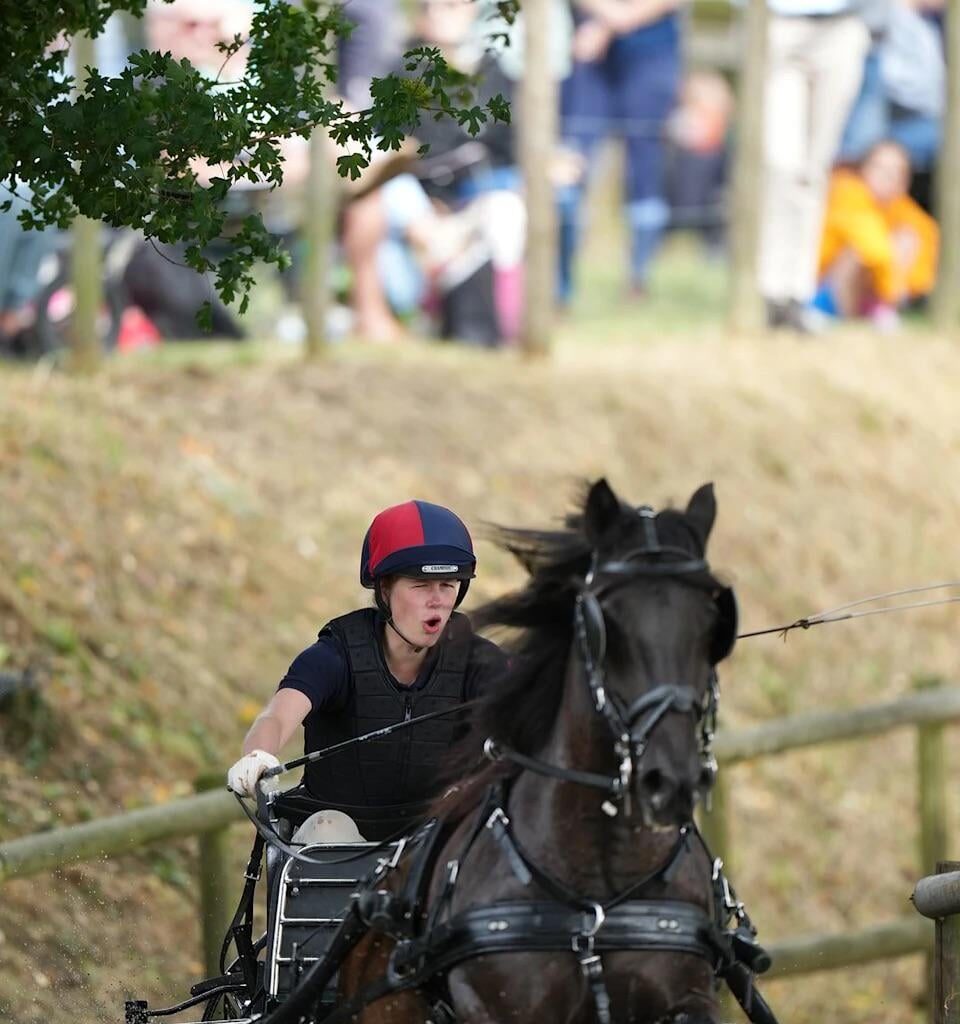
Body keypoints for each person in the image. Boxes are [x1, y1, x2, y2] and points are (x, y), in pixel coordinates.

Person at [226, 500, 508, 842]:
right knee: (330, 831)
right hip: (335, 841)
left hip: (435, 842)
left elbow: (524, 729)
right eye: (420, 585)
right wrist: (258, 754)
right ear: (385, 589)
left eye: (448, 585)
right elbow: (277, 716)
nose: (437, 600)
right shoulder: (335, 655)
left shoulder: (481, 662)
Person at [556, 0, 685, 305]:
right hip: (589, 56)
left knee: (644, 173)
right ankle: (559, 288)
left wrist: (613, 22)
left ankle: (638, 281)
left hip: (652, 51)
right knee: (570, 164)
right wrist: (609, 15)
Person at [758, 0, 871, 332]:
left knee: (813, 170)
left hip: (841, 25)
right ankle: (769, 288)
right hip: (779, 24)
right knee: (781, 165)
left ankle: (797, 292)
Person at [813, 139, 939, 328]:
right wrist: (891, 291)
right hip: (823, 289)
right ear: (863, 170)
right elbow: (874, 249)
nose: (889, 177)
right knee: (857, 252)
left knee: (906, 238)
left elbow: (928, 248)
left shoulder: (903, 210)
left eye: (897, 172)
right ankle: (848, 314)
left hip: (873, 290)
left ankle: (879, 312)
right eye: (881, 169)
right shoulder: (848, 193)